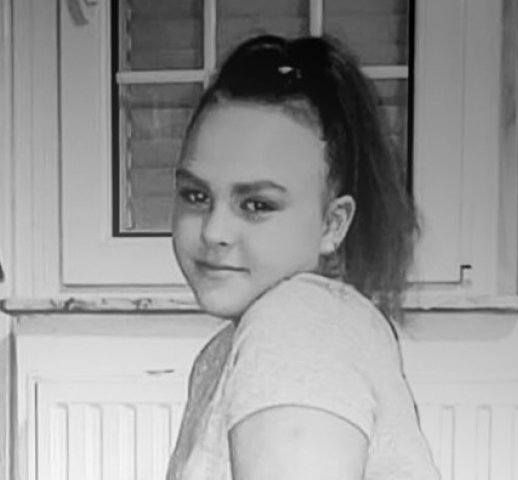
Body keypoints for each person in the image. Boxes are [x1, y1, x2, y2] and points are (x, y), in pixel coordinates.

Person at [167, 34, 440, 480]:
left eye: (257, 204)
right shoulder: (234, 347)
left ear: (333, 223)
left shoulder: (297, 325)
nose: (214, 231)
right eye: (196, 195)